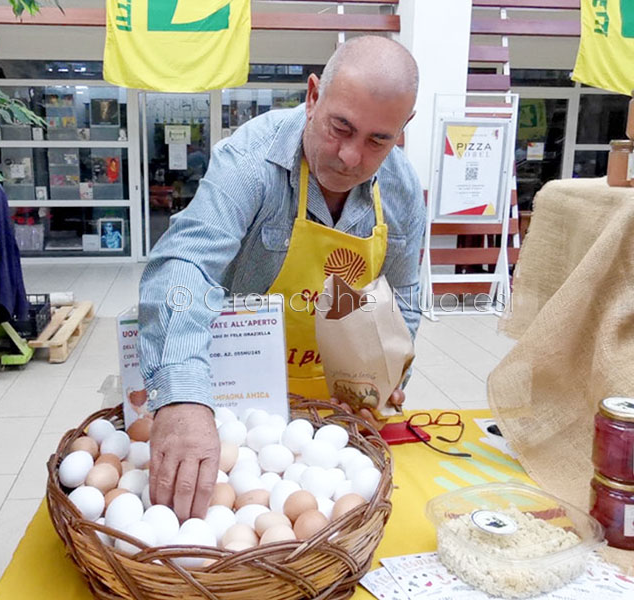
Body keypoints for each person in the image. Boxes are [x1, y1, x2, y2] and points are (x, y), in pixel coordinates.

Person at [138, 36, 424, 521]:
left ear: (402, 129)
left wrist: (386, 372)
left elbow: (404, 296)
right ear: (313, 96)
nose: (350, 156)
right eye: (340, 127)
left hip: (332, 411)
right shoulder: (250, 162)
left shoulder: (401, 189)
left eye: (378, 140)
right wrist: (183, 396)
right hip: (230, 405)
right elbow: (184, 265)